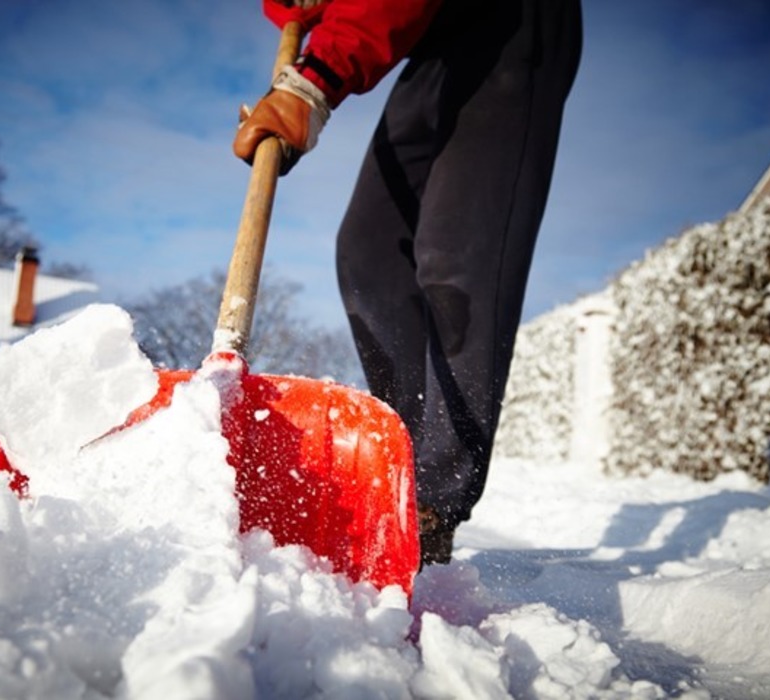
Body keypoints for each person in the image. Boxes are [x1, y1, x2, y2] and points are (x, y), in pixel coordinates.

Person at [234, 0, 582, 565]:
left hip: (512, 24)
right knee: (368, 253)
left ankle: (432, 502)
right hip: (436, 44)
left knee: (455, 255)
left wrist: (313, 84)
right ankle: (401, 464)